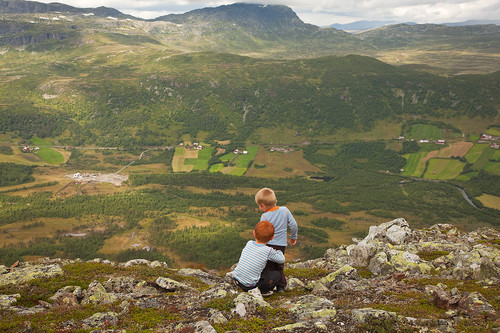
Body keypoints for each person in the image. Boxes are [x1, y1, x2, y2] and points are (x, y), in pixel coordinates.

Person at [255, 187, 298, 293]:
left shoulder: (264, 216)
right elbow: (293, 225)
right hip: (281, 245)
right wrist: (293, 237)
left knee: (268, 266)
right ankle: (281, 287)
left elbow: (261, 232)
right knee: (279, 265)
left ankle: (268, 286)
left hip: (268, 245)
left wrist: (258, 244)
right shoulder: (285, 210)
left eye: (259, 206)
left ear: (263, 205)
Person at [233, 220, 285, 296]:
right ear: (272, 237)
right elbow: (281, 260)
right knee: (277, 275)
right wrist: (278, 251)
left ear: (254, 233)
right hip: (250, 286)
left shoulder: (249, 243)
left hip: (237, 280)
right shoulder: (268, 250)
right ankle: (264, 291)